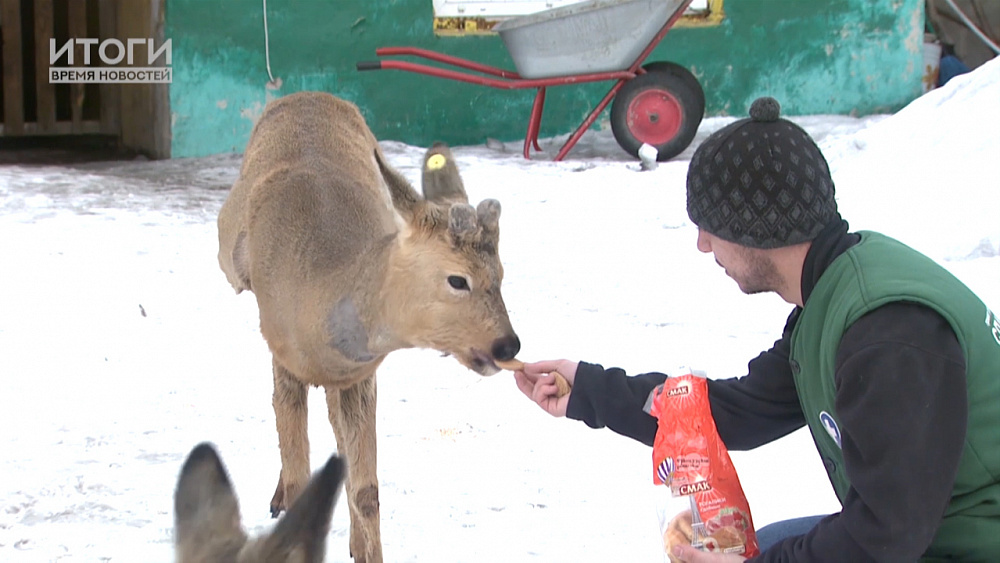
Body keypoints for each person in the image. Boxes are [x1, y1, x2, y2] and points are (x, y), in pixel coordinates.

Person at [513, 97, 1000, 562]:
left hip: (967, 546)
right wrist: (588, 389)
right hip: (926, 531)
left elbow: (887, 535)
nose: (703, 246)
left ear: (756, 227)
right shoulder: (833, 297)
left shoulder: (888, 334)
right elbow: (738, 412)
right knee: (766, 544)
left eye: (708, 226)